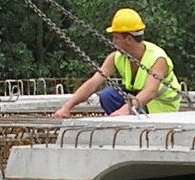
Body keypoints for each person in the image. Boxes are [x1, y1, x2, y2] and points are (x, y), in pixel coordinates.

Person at [53, 9, 182, 117]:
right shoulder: (116, 57)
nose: (112, 42)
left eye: (116, 37)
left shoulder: (157, 59)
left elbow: (150, 91)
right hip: (138, 102)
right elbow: (93, 83)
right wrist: (67, 107)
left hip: (161, 108)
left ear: (129, 39)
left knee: (125, 105)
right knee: (107, 95)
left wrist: (123, 111)